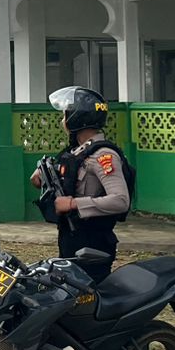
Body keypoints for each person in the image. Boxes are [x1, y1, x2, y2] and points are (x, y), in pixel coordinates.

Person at [30, 86, 130, 284]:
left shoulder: (103, 156)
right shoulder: (76, 152)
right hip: (71, 236)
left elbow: (120, 200)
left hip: (93, 242)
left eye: (65, 115)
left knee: (90, 296)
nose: (62, 120)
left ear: (77, 117)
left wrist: (74, 204)